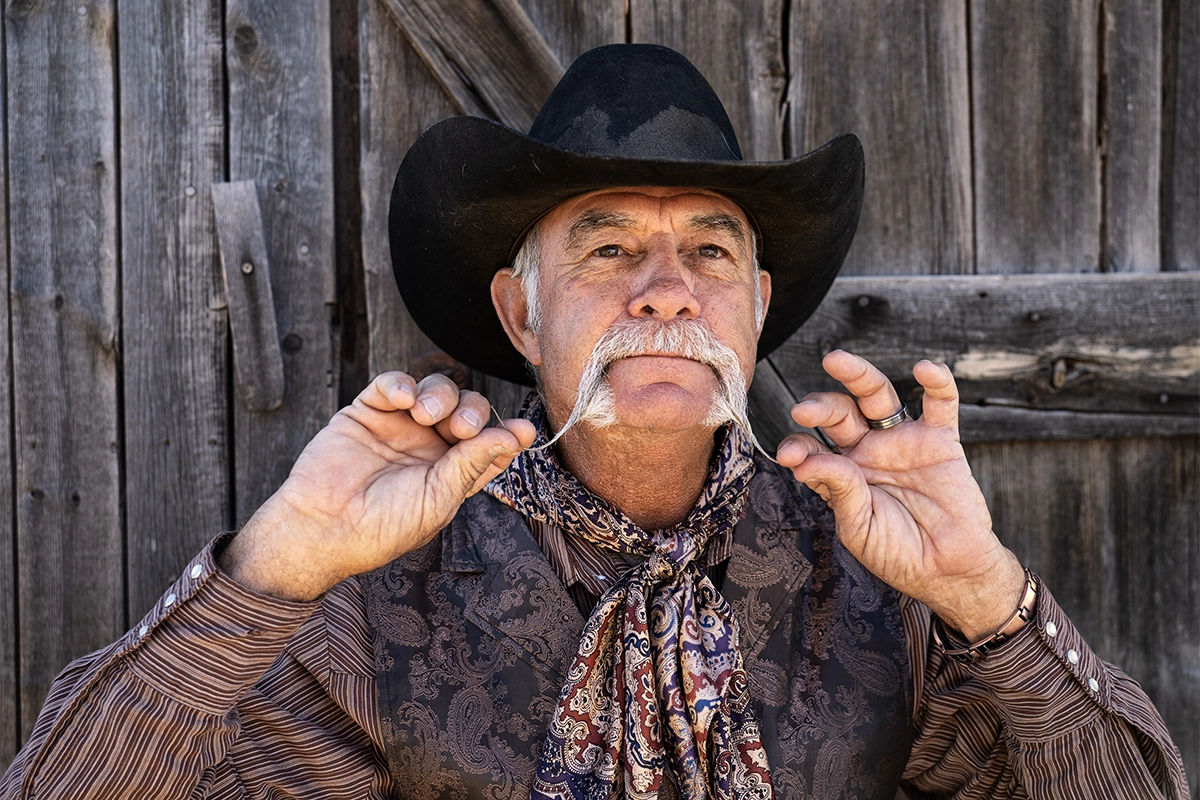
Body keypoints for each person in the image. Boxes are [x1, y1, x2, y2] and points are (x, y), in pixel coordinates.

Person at [1, 44, 1188, 800]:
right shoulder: (384, 591)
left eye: (709, 251)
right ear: (521, 314)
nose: (666, 289)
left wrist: (988, 592)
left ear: (753, 308)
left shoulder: (879, 575)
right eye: (609, 246)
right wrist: (269, 569)